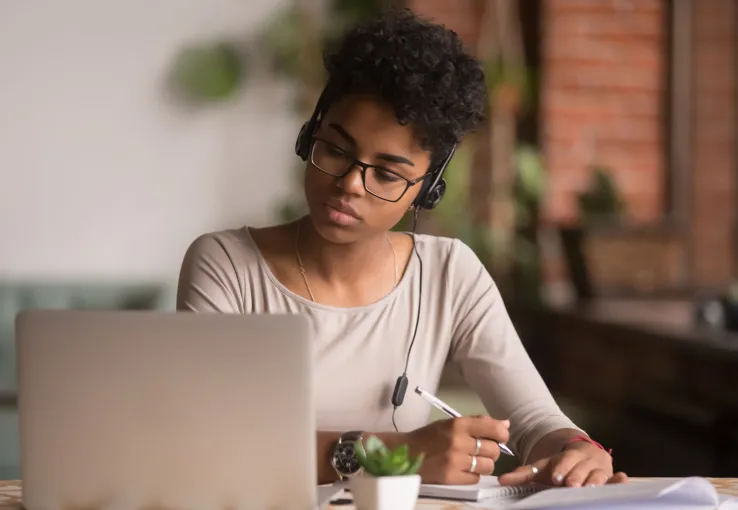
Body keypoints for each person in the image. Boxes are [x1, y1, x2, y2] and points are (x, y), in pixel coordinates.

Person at [176, 8, 628, 489]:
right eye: (334, 150)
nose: (350, 184)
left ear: (426, 190)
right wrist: (393, 452)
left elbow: (536, 420)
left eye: (387, 174)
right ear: (309, 136)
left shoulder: (449, 273)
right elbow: (207, 440)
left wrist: (578, 452)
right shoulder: (226, 265)